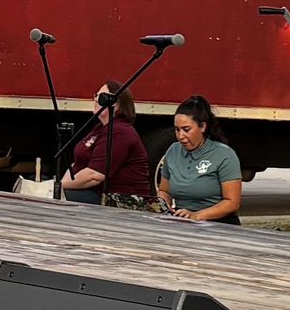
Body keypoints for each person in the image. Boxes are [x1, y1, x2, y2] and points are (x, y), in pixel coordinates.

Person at [60, 81, 151, 205]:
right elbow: (77, 163)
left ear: (117, 105)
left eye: (102, 97)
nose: (96, 100)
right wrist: (59, 185)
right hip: (94, 193)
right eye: (96, 95)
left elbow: (95, 175)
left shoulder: (120, 131)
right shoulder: (100, 128)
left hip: (121, 200)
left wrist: (59, 187)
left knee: (55, 196)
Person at [157, 94, 243, 223]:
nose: (180, 136)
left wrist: (197, 215)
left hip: (217, 222)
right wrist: (165, 206)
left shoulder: (224, 155)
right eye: (177, 129)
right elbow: (164, 190)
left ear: (203, 126)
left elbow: (232, 202)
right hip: (182, 219)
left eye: (186, 129)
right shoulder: (173, 151)